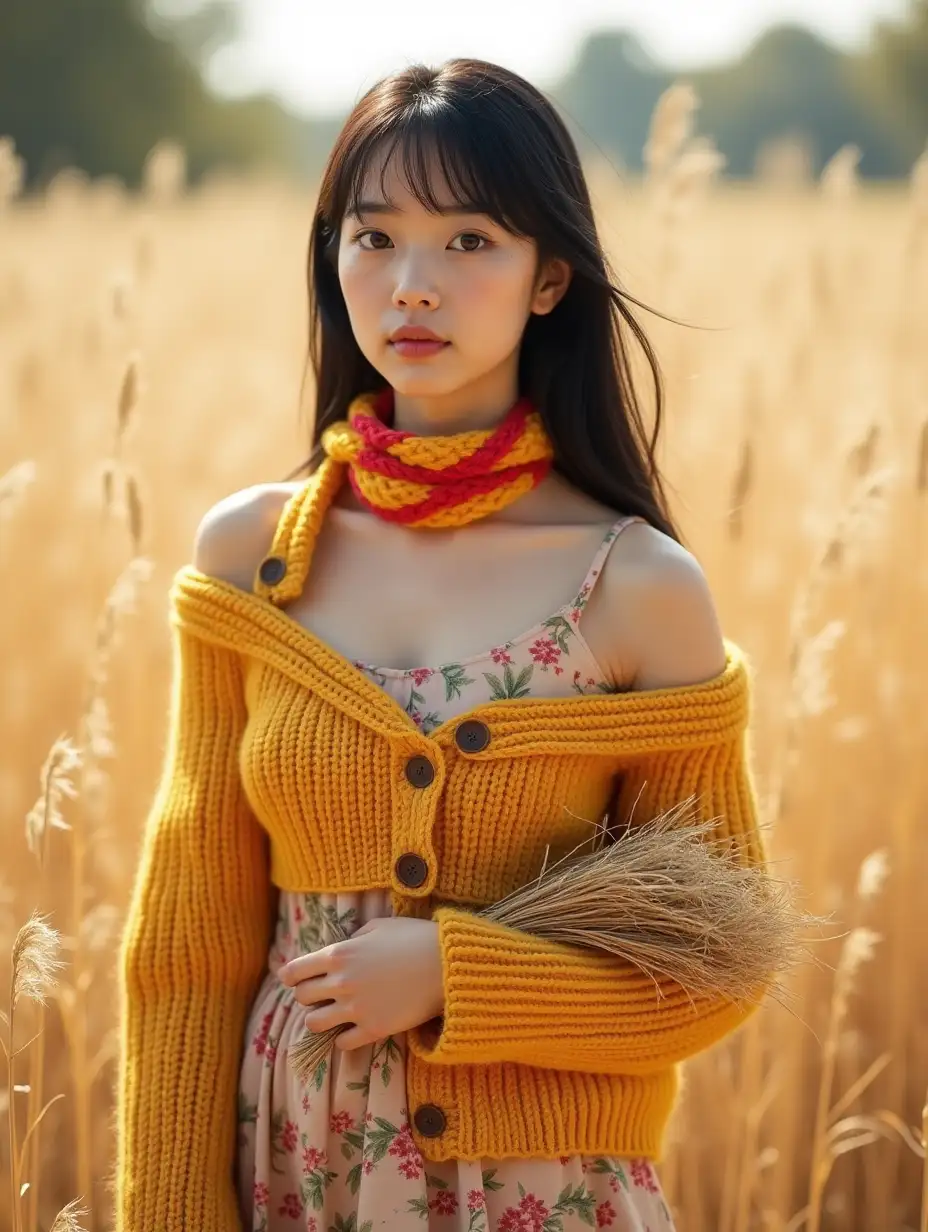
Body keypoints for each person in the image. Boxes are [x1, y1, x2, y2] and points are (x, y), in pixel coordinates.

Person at [116, 58, 770, 1232]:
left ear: (549, 276)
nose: (412, 285)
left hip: (542, 1187)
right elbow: (188, 946)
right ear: (333, 261)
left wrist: (455, 974)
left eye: (469, 241)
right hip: (291, 1169)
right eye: (374, 238)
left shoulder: (636, 585)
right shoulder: (252, 559)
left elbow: (715, 962)